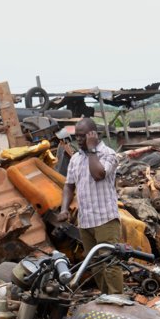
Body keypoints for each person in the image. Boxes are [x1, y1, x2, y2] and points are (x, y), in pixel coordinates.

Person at [57, 118, 123, 294]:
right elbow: (69, 185)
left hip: (105, 219)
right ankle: (106, 298)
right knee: (95, 265)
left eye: (82, 136)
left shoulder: (108, 154)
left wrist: (92, 150)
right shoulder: (76, 159)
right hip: (85, 222)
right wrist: (64, 209)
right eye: (76, 136)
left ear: (94, 135)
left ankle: (118, 299)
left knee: (110, 262)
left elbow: (98, 174)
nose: (78, 140)